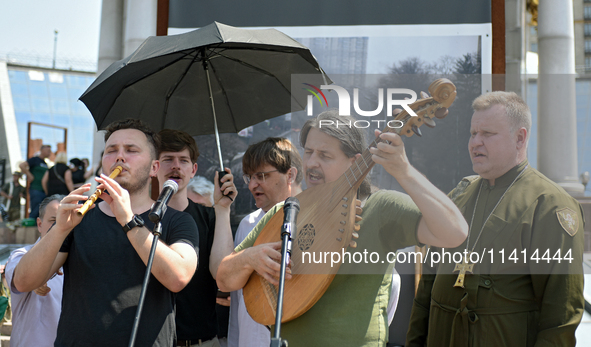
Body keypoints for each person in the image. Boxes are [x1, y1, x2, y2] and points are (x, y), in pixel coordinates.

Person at [217, 110, 468, 346]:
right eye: (309, 152)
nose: (312, 163)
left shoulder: (381, 207)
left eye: (325, 156)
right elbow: (225, 277)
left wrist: (404, 172)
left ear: (354, 162)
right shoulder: (288, 210)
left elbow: (455, 232)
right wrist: (250, 258)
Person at [405, 91, 585, 347]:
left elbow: (560, 321)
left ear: (520, 138)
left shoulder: (550, 206)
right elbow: (426, 292)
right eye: (472, 133)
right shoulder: (458, 196)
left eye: (487, 134)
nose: (474, 143)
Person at [12, 119, 199, 346]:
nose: (119, 157)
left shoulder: (176, 220)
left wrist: (128, 221)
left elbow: (178, 278)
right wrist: (59, 229)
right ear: (103, 165)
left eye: (131, 150)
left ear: (154, 168)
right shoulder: (78, 220)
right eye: (111, 151)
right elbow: (23, 283)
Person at [157, 129, 236, 347]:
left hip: (202, 340)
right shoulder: (140, 219)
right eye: (168, 159)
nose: (175, 166)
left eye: (183, 160)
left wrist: (222, 209)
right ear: (154, 167)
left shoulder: (211, 217)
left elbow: (222, 275)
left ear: (193, 170)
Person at [227, 137, 302, 347]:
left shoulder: (316, 221)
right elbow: (237, 301)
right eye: (249, 177)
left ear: (291, 174)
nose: (252, 185)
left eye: (261, 176)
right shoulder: (247, 225)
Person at [4, 194, 65, 347]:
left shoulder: (80, 258)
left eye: (65, 220)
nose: (62, 226)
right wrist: (36, 279)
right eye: (54, 221)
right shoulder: (20, 255)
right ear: (39, 224)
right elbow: (19, 280)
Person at [19, 144, 51, 219]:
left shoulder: (45, 163)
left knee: (42, 210)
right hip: (36, 188)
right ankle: (31, 224)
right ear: (42, 150)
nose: (49, 153)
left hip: (43, 190)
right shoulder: (34, 160)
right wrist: (29, 175)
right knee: (36, 208)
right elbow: (22, 165)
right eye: (48, 151)